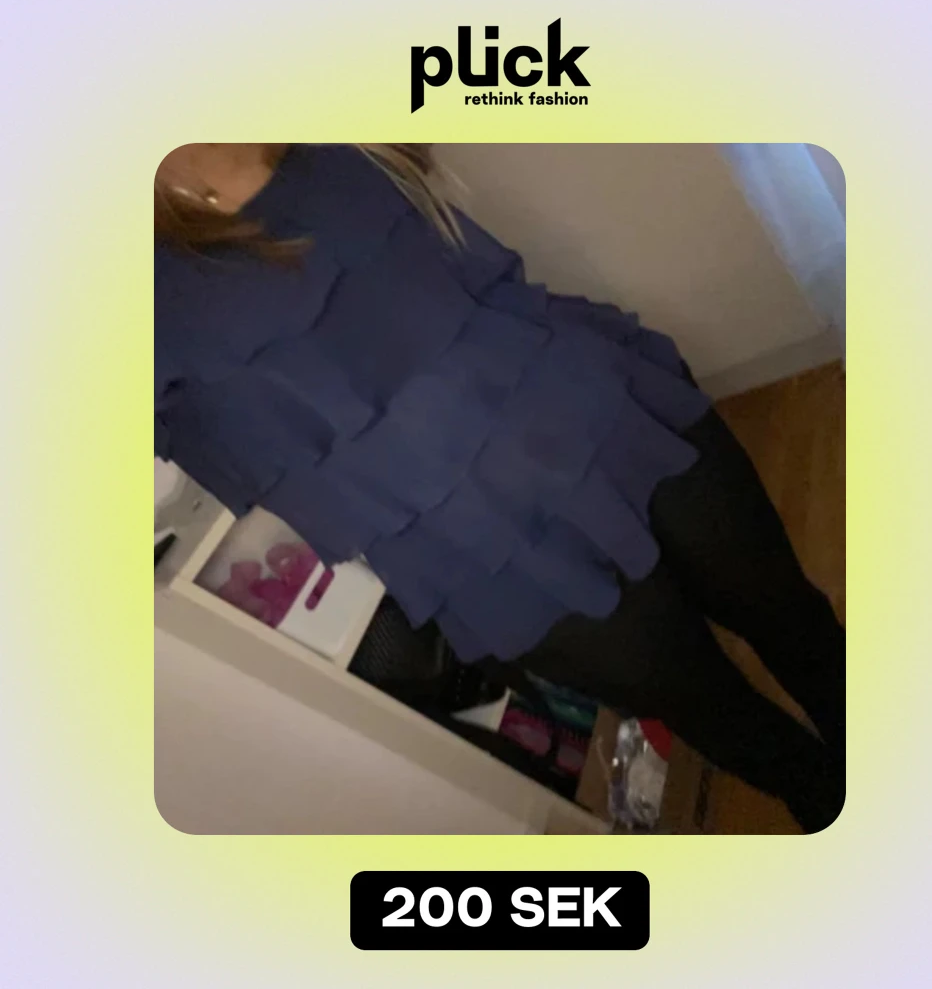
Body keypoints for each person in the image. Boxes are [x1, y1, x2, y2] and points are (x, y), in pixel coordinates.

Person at [155, 143, 845, 832]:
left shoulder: (320, 128)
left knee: (794, 619)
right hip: (488, 560)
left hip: (600, 405)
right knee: (728, 720)